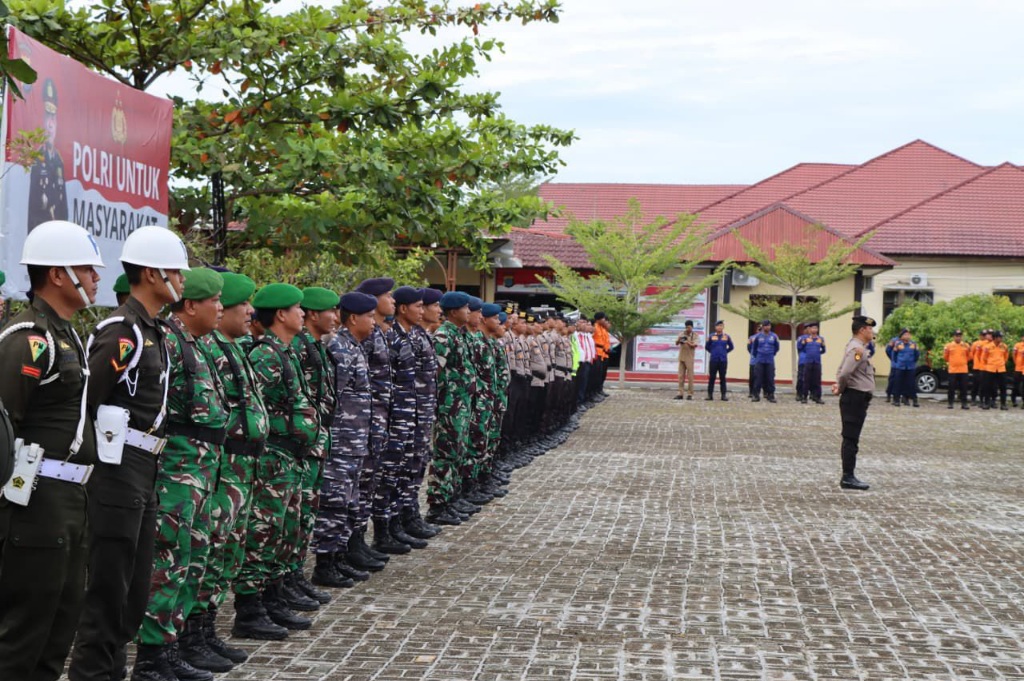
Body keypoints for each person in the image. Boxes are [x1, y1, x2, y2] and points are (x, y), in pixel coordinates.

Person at [69, 226, 188, 681]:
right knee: (109, 589)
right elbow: (87, 402)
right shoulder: (123, 332)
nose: (180, 278)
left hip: (142, 468)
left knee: (132, 594)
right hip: (117, 470)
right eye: (174, 270)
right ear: (150, 273)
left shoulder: (152, 329)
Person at [0, 220, 103, 681]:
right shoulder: (28, 337)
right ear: (59, 274)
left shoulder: (67, 333)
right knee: (23, 633)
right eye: (88, 269)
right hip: (34, 501)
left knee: (58, 629)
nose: (97, 278)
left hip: (68, 500)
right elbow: (4, 423)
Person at [134, 267, 226, 681]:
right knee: (167, 563)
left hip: (199, 471)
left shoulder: (197, 344)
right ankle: (152, 658)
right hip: (175, 470)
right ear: (190, 306)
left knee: (191, 560)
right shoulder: (169, 341)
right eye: (214, 302)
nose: (220, 309)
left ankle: (174, 645)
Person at [234, 284, 319, 639]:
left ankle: (274, 597)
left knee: (283, 532)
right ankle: (251, 611)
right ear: (281, 315)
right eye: (298, 308)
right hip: (273, 457)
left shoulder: (283, 351)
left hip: (290, 457)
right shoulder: (266, 355)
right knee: (263, 532)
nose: (304, 314)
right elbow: (260, 410)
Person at [193, 273, 268, 659]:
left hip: (243, 465)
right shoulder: (209, 350)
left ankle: (206, 630)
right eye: (242, 306)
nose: (248, 313)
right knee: (210, 549)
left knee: (229, 550)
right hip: (221, 466)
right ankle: (193, 636)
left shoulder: (235, 348)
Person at [311, 291, 378, 588]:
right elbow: (332, 398)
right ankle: (325, 564)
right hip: (340, 440)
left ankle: (339, 557)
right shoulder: (339, 348)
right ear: (354, 318)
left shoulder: (354, 346)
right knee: (334, 502)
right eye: (370, 316)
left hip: (354, 441)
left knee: (349, 502)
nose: (375, 322)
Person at [285, 287, 341, 609]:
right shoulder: (299, 348)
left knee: (304, 516)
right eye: (330, 311)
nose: (335, 317)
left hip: (314, 443)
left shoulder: (313, 347)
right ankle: (284, 583)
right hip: (297, 447)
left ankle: (293, 578)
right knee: (292, 518)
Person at [425, 291, 472, 526]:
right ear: (454, 312)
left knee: (456, 453)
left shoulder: (458, 334)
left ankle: (451, 498)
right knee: (444, 455)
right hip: (448, 407)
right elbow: (436, 372)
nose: (469, 312)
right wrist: (442, 402)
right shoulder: (444, 336)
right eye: (465, 308)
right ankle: (437, 505)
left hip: (460, 406)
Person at [832, 315, 876, 491]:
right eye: (870, 329)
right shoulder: (857, 349)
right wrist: (841, 387)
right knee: (850, 438)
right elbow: (845, 373)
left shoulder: (857, 347)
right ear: (862, 330)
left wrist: (839, 385)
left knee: (852, 437)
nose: (872, 332)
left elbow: (842, 370)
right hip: (854, 397)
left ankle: (849, 475)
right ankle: (848, 477)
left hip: (857, 397)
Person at [28, 78, 69, 229]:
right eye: (47, 117)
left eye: (53, 118)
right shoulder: (36, 159)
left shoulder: (59, 161)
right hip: (40, 235)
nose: (51, 125)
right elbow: (32, 208)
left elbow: (63, 208)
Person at [750, 320, 780, 402]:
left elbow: (777, 348)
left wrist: (771, 354)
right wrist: (758, 356)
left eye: (769, 325)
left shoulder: (774, 336)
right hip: (760, 359)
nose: (767, 327)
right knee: (758, 378)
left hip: (770, 360)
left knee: (770, 378)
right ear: (763, 327)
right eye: (765, 326)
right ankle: (756, 395)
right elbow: (754, 348)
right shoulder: (758, 336)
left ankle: (771, 395)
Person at [889, 329, 920, 407]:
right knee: (898, 383)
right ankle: (896, 400)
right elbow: (894, 355)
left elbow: (917, 355)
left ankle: (914, 400)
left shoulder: (913, 344)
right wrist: (897, 363)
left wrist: (913, 362)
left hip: (910, 367)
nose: (907, 336)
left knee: (911, 384)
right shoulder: (898, 344)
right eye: (905, 334)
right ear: (901, 336)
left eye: (908, 334)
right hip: (900, 367)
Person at [796, 322, 826, 404]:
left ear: (818, 329)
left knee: (817, 380)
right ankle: (804, 397)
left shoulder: (820, 339)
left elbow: (823, 350)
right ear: (810, 329)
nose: (814, 330)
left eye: (816, 328)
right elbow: (800, 348)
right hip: (808, 362)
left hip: (817, 362)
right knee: (806, 380)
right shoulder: (806, 339)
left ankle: (817, 397)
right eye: (812, 328)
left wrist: (818, 354)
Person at [704, 320, 733, 400]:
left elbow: (731, 347)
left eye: (721, 326)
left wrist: (724, 352)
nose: (719, 327)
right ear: (715, 327)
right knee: (712, 378)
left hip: (723, 360)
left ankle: (723, 395)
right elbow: (707, 347)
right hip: (713, 360)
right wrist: (713, 352)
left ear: (723, 327)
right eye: (718, 326)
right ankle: (710, 395)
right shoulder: (711, 336)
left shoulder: (726, 336)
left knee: (722, 378)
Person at [981, 330, 1009, 410]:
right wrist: (991, 364)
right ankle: (987, 403)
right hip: (990, 369)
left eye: (1001, 337)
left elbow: (1006, 357)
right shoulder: (987, 347)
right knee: (988, 387)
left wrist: (1001, 363)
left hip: (1001, 369)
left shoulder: (1004, 346)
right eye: (1000, 337)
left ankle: (1003, 404)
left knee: (1003, 387)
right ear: (995, 338)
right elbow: (984, 358)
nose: (1001, 339)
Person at [943, 329, 971, 410]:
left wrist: (962, 361)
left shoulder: (966, 346)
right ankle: (950, 403)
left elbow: (969, 356)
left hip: (963, 369)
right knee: (951, 387)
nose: (958, 338)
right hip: (953, 370)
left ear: (962, 337)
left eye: (960, 336)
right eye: (956, 336)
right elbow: (945, 357)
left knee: (964, 388)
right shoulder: (948, 346)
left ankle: (964, 403)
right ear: (954, 337)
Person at [674, 320, 698, 400]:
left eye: (689, 327)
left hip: (689, 358)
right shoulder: (681, 334)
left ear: (692, 327)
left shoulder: (695, 335)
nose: (688, 328)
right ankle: (680, 393)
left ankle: (690, 394)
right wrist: (679, 339)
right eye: (687, 327)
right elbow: (676, 343)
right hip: (682, 357)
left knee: (690, 377)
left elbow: (694, 345)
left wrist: (687, 341)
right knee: (680, 376)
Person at [1013, 332, 1024, 408]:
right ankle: (1013, 400)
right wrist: (1016, 363)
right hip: (1018, 368)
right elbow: (1014, 355)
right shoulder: (1017, 345)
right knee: (1016, 385)